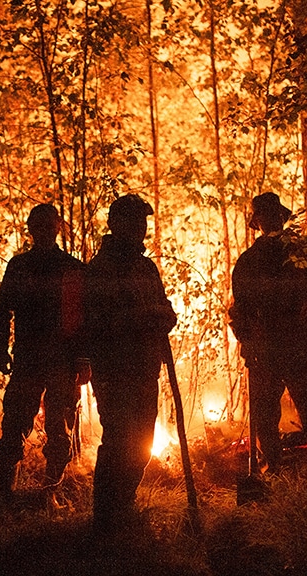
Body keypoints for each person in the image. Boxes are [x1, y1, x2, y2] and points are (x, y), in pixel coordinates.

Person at [229, 192, 307, 479]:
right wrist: (249, 342)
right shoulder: (253, 261)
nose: (269, 220)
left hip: (295, 350)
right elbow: (240, 312)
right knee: (267, 419)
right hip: (270, 352)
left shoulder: (302, 254)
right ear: (258, 221)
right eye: (265, 215)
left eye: (272, 215)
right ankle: (276, 476)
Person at [83, 194, 176, 531]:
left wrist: (163, 314)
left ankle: (123, 505)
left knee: (141, 444)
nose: (142, 228)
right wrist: (146, 316)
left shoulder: (145, 267)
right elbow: (98, 323)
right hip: (115, 371)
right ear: (116, 225)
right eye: (135, 221)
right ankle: (105, 518)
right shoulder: (100, 270)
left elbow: (165, 308)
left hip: (145, 369)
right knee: (119, 442)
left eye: (143, 221)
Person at [0, 204, 89, 496]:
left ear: (57, 227)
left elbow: (83, 318)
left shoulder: (72, 268)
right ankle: (7, 494)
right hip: (29, 359)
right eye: (39, 226)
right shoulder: (20, 266)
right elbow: (3, 309)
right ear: (31, 228)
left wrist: (83, 359)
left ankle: (50, 493)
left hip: (61, 361)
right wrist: (0, 348)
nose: (44, 231)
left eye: (49, 225)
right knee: (15, 426)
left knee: (59, 431)